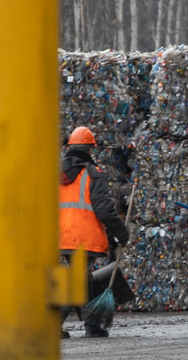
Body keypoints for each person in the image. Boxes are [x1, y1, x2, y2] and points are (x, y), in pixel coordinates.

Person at [58, 126, 129, 338]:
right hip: (84, 237)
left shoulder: (55, 174)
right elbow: (105, 210)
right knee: (78, 280)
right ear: (90, 150)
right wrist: (121, 233)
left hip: (62, 237)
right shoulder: (92, 174)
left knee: (82, 278)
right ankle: (54, 325)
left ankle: (91, 324)